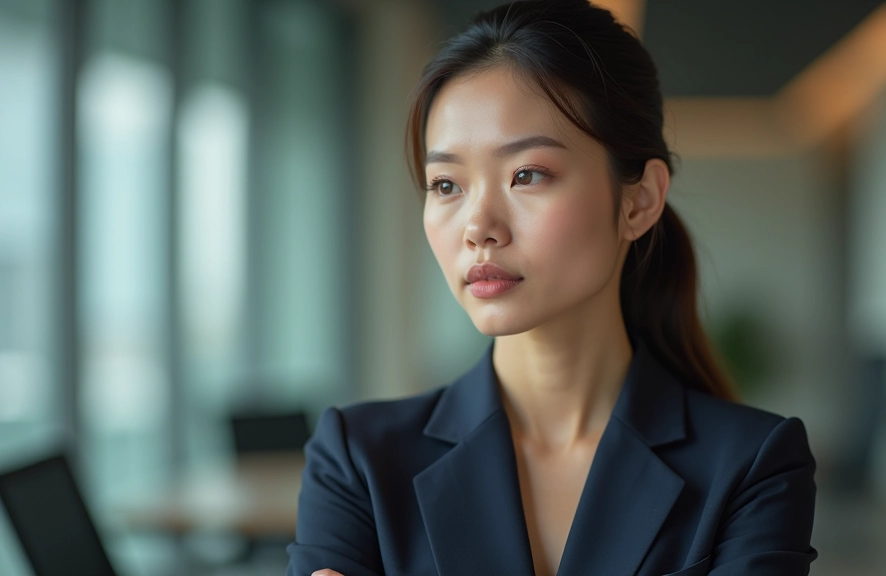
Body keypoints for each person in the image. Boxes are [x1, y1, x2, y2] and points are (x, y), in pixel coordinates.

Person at [286, 1, 817, 575]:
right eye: (446, 184)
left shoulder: (753, 466)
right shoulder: (358, 460)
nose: (478, 227)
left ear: (639, 201)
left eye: (527, 174)